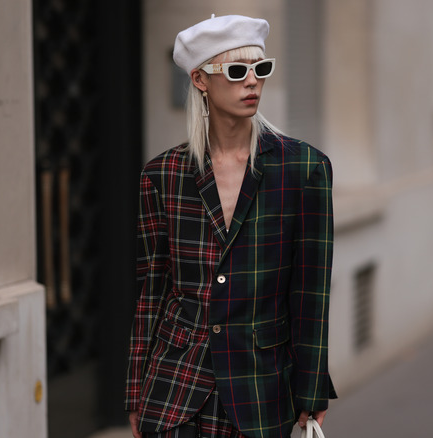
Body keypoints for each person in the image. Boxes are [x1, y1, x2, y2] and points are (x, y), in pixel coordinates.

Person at [125, 14, 335, 438]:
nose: (252, 82)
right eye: (237, 71)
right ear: (200, 79)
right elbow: (151, 289)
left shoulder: (304, 168)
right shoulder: (162, 175)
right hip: (174, 390)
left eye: (261, 69)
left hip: (259, 392)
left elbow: (311, 289)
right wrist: (136, 393)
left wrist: (311, 392)